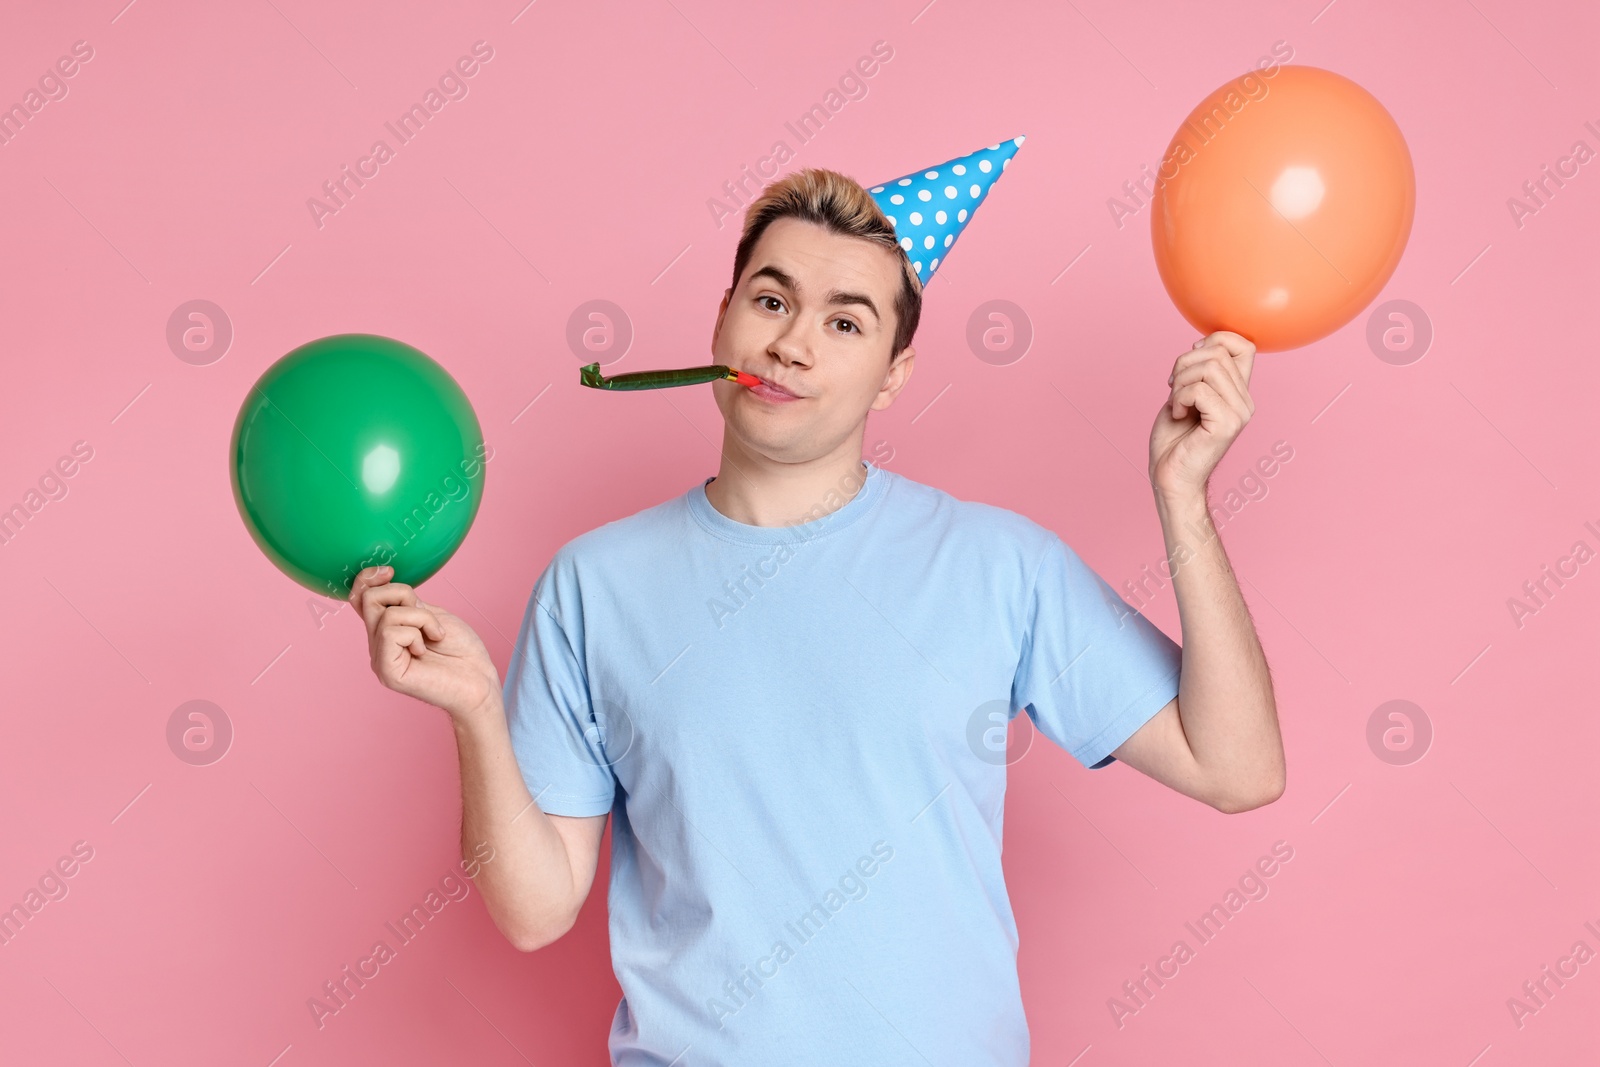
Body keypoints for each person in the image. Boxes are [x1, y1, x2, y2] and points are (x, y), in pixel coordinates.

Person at [350, 159, 1284, 1066]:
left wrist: (1184, 496)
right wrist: (474, 706)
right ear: (721, 319)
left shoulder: (1002, 565)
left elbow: (1237, 768)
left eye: (845, 321)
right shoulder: (592, 585)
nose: (792, 343)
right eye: (771, 300)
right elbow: (534, 907)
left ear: (892, 374)